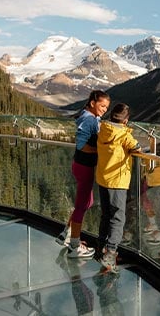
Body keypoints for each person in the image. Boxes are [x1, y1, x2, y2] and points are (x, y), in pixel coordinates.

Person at [55, 90, 110, 259]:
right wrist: (102, 150)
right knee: (82, 205)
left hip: (80, 165)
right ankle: (74, 246)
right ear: (93, 103)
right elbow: (81, 145)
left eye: (107, 107)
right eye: (102, 106)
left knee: (87, 202)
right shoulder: (88, 118)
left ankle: (67, 234)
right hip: (84, 166)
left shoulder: (89, 116)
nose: (104, 110)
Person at [95, 103, 141, 272]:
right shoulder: (123, 134)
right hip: (118, 181)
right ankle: (111, 252)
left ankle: (100, 249)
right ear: (126, 120)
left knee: (106, 215)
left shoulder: (103, 130)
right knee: (118, 218)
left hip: (103, 178)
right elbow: (136, 147)